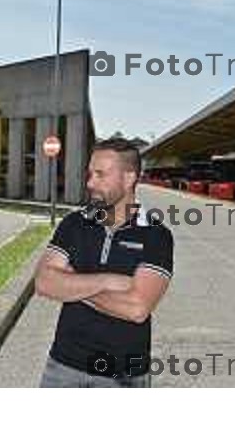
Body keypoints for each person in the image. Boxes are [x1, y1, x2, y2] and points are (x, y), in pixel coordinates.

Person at [36, 138, 174, 388]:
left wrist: (71, 285)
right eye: (90, 174)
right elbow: (44, 283)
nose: (90, 183)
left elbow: (136, 308)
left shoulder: (156, 235)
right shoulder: (74, 224)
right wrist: (108, 281)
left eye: (101, 175)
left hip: (123, 376)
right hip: (63, 367)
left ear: (129, 178)